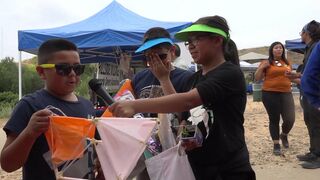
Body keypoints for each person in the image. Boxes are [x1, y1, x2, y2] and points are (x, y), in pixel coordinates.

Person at [110, 15, 255, 180]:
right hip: (198, 167)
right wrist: (186, 134)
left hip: (228, 168)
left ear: (217, 40)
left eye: (197, 39)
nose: (191, 46)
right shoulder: (195, 78)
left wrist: (135, 106)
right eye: (188, 42)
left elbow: (187, 101)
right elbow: (183, 114)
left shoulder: (229, 73)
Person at [0, 39, 95, 179]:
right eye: (63, 68)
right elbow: (8, 164)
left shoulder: (87, 106)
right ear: (41, 72)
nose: (72, 73)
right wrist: (29, 133)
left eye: (78, 68)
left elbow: (89, 153)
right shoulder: (30, 105)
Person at [130, 27, 193, 180]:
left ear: (172, 51)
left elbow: (187, 116)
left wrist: (164, 79)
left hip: (175, 151)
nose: (155, 62)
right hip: (145, 150)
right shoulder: (139, 78)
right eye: (149, 58)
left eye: (161, 56)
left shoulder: (187, 78)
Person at [285, 20, 320, 168]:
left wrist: (299, 79)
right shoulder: (310, 47)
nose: (300, 34)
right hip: (308, 92)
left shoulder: (316, 46)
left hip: (315, 94)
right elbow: (308, 72)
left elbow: (314, 75)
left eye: (301, 31)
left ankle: (318, 156)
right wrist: (296, 75)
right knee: (311, 122)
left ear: (308, 33)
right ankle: (314, 152)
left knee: (316, 124)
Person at [254, 41, 295, 155]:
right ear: (272, 50)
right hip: (270, 94)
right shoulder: (266, 62)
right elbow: (257, 78)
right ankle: (276, 144)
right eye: (276, 48)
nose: (279, 49)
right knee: (274, 119)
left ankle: (284, 135)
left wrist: (302, 81)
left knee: (290, 119)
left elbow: (291, 78)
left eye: (281, 48)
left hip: (286, 93)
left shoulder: (287, 63)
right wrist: (261, 67)